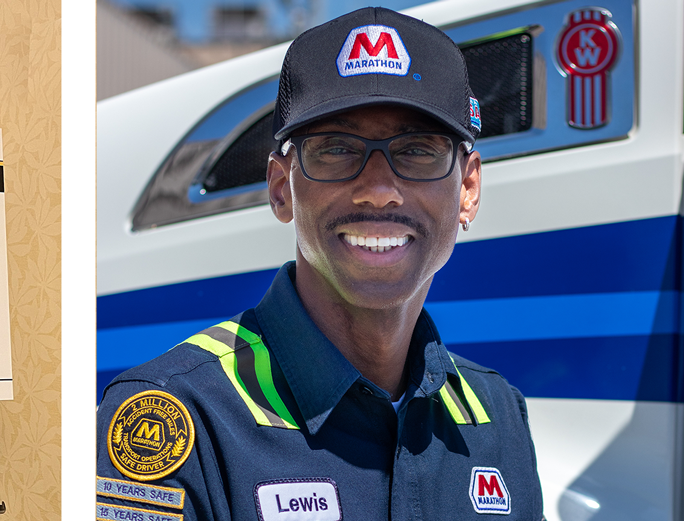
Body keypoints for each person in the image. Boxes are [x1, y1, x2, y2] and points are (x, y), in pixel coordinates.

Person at [96, 8, 542, 521]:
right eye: (336, 149)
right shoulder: (176, 417)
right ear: (281, 188)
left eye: (419, 150)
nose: (378, 191)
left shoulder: (500, 416)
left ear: (467, 190)